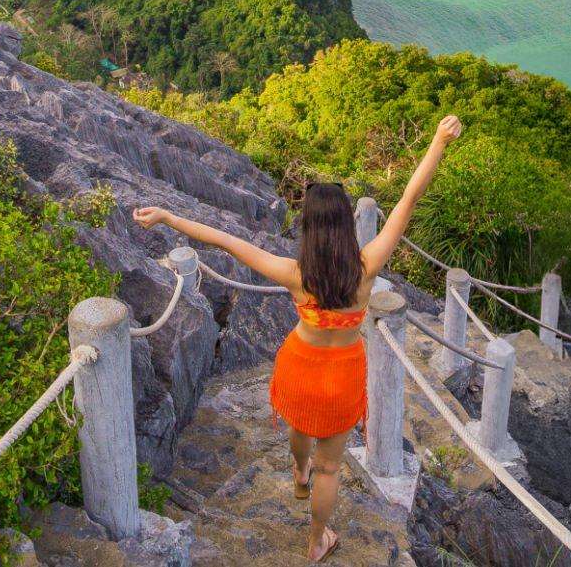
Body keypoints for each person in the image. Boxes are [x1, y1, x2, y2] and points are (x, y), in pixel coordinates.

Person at [133, 113, 464, 562]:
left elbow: (226, 241)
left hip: (299, 364)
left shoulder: (294, 274)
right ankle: (316, 540)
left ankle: (297, 473)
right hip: (343, 375)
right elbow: (408, 198)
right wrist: (438, 142)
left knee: (299, 427)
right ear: (347, 226)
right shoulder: (366, 268)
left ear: (307, 227)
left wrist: (170, 216)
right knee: (332, 467)